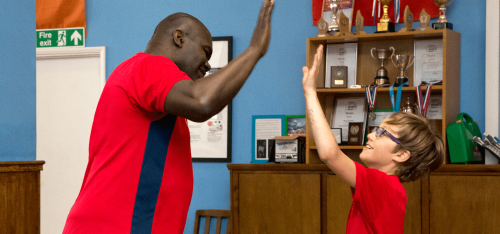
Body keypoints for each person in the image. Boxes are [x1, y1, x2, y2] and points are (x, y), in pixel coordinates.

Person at [62, 1, 274, 233]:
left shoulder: (146, 83)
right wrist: (255, 49)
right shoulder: (148, 66)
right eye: (206, 51)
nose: (208, 64)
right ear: (179, 38)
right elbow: (202, 102)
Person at [302, 45, 444, 234]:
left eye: (382, 133)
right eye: (376, 129)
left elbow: (329, 154)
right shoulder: (386, 187)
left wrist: (310, 92)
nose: (370, 135)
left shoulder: (384, 187)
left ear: (401, 154)